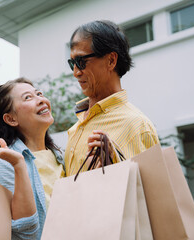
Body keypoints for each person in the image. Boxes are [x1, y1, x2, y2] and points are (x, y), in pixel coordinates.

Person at [0, 77, 64, 240]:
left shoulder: (60, 156)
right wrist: (18, 164)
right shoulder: (6, 163)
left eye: (39, 93)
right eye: (28, 97)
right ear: (11, 119)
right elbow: (25, 235)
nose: (41, 100)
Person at [65, 20, 159, 176]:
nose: (76, 72)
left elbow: (149, 191)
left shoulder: (137, 126)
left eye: (81, 62)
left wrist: (114, 162)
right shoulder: (76, 128)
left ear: (111, 60)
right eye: (72, 63)